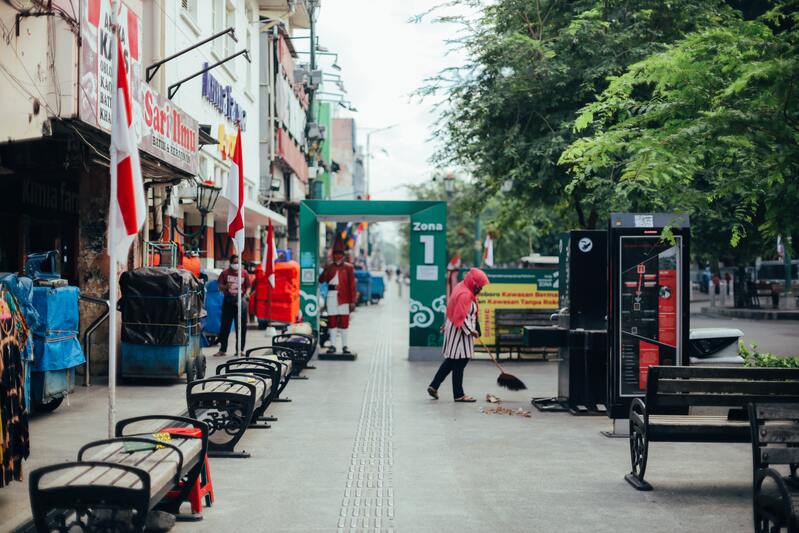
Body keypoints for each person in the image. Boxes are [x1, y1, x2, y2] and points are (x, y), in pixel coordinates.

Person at [427, 268, 490, 402]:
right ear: (475, 283)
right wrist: (472, 331)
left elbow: (452, 308)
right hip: (460, 331)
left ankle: (434, 386)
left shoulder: (461, 287)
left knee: (452, 360)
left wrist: (446, 323)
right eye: (481, 286)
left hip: (455, 328)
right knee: (460, 362)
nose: (481, 289)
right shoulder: (465, 294)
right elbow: (462, 317)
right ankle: (458, 394)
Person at [319, 242, 357, 354]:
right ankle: (333, 346)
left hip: (344, 297)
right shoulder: (329, 267)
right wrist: (325, 269)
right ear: (333, 255)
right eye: (336, 253)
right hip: (331, 295)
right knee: (332, 321)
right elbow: (321, 280)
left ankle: (345, 346)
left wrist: (352, 300)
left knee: (344, 322)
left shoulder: (349, 267)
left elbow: (352, 285)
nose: (337, 256)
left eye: (340, 253)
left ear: (343, 255)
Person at [214, 254, 251, 357]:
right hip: (228, 302)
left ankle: (240, 349)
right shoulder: (225, 273)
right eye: (234, 262)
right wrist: (226, 286)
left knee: (242, 327)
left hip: (241, 302)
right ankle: (222, 349)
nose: (236, 264)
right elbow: (220, 287)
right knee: (225, 327)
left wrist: (247, 293)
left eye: (238, 262)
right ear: (230, 263)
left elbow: (248, 286)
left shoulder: (244, 273)